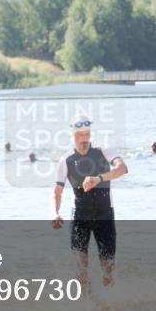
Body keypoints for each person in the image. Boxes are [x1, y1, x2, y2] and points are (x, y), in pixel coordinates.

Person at [53, 115, 128, 288]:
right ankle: (85, 301)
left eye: (87, 133)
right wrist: (55, 213)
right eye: (80, 134)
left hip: (105, 215)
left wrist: (99, 178)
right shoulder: (65, 160)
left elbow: (122, 169)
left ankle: (109, 299)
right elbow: (57, 191)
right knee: (80, 268)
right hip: (80, 217)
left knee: (108, 267)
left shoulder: (104, 151)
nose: (85, 138)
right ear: (73, 135)